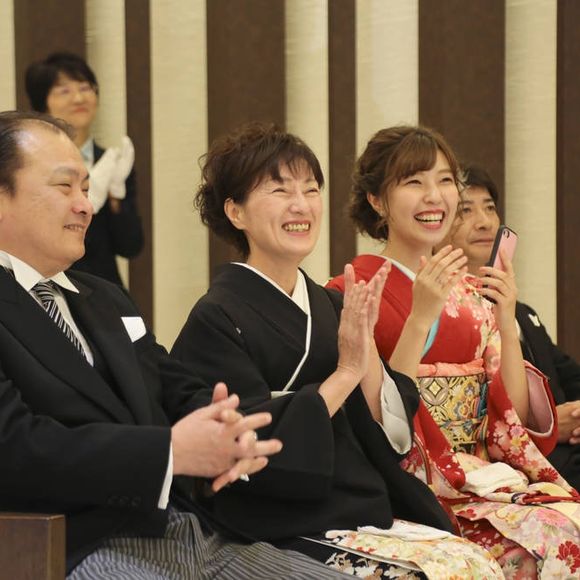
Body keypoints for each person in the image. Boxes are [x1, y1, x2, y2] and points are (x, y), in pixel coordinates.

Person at [0, 111, 360, 580]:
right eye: (64, 187)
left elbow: (172, 384)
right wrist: (169, 452)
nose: (85, 205)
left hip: (185, 529)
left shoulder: (103, 298)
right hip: (72, 547)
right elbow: (15, 447)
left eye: (86, 188)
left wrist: (231, 432)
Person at [170, 123, 504, 579]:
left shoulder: (331, 304)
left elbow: (389, 432)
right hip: (277, 519)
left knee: (473, 561)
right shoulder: (215, 319)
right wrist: (346, 372)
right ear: (235, 211)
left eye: (311, 189)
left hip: (353, 502)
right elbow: (244, 447)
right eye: (280, 190)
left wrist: (366, 364)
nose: (301, 205)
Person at [327, 125, 580, 578]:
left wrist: (505, 319)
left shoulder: (468, 291)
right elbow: (382, 423)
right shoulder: (351, 291)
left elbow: (513, 415)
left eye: (444, 180)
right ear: (377, 201)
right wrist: (420, 317)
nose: (434, 196)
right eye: (414, 181)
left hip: (480, 477)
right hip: (415, 486)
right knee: (552, 539)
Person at [443, 164, 580, 491]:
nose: (484, 221)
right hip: (518, 468)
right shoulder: (447, 316)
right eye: (466, 210)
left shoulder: (523, 313)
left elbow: (571, 376)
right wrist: (547, 426)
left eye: (490, 207)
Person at [25, 52, 143, 286]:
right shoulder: (30, 163)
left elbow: (131, 246)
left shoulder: (113, 162)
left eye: (85, 88)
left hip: (103, 288)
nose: (79, 98)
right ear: (43, 102)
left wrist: (115, 196)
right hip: (46, 285)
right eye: (64, 91)